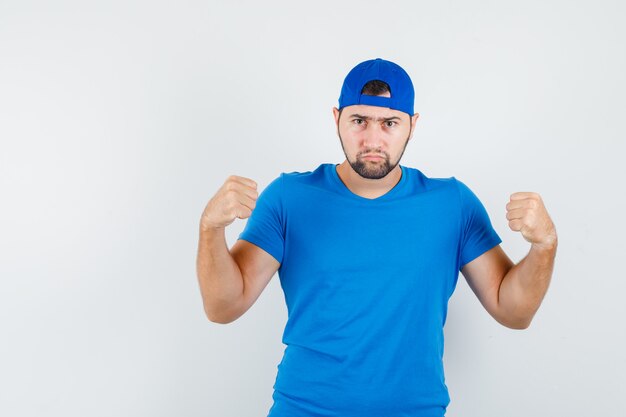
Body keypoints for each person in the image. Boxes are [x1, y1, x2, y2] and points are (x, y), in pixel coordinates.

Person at [196, 58, 558, 417]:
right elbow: (223, 307)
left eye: (389, 123)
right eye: (359, 121)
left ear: (412, 125)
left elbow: (513, 312)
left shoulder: (452, 204)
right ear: (336, 118)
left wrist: (544, 246)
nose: (373, 139)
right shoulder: (289, 198)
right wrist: (211, 229)